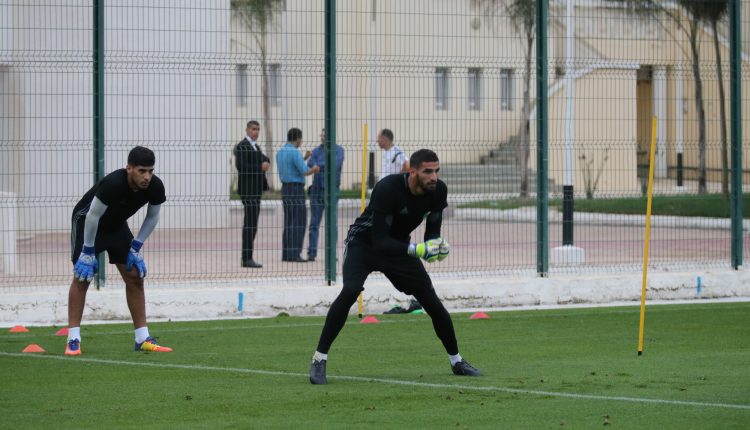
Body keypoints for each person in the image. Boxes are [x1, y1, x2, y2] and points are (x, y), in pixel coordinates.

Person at [309, 149, 481, 384]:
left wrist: (435, 246)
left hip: (398, 247)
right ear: (412, 172)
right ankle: (319, 359)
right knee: (351, 290)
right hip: (364, 244)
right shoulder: (388, 188)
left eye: (436, 171)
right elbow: (380, 241)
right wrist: (417, 250)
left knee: (430, 300)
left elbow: (432, 230)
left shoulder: (438, 190)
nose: (434, 177)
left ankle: (457, 361)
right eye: (427, 171)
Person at [66, 146, 172, 356]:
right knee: (83, 276)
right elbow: (92, 216)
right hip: (88, 224)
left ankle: (142, 339)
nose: (147, 177)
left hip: (116, 226)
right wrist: (88, 250)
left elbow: (153, 217)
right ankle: (73, 339)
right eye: (142, 171)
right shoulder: (113, 183)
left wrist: (136, 246)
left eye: (150, 171)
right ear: (129, 168)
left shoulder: (155, 186)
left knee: (135, 276)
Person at [276, 128, 320, 262]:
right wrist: (314, 169)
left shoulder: (281, 152)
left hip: (285, 188)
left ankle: (287, 253)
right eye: (301, 139)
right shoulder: (295, 152)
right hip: (296, 189)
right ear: (298, 139)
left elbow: (292, 166)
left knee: (289, 221)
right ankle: (295, 253)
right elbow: (304, 171)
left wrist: (305, 158)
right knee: (299, 222)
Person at [235, 120, 271, 268]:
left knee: (253, 224)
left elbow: (264, 159)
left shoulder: (255, 146)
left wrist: (265, 162)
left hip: (256, 190)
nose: (256, 132)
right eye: (253, 129)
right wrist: (260, 166)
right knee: (249, 224)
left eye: (258, 129)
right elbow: (241, 166)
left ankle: (249, 256)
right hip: (248, 191)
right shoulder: (242, 146)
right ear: (247, 130)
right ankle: (246, 258)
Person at [306, 128, 345, 262]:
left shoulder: (339, 150)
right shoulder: (316, 151)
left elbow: (336, 164)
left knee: (332, 224)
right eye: (321, 135)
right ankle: (312, 252)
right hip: (317, 190)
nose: (322, 137)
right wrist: (323, 165)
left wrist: (319, 166)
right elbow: (310, 163)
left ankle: (332, 253)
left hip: (331, 191)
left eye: (325, 135)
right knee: (314, 223)